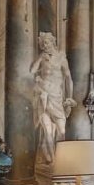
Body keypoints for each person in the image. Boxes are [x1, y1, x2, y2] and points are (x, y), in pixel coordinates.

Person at [31, 32, 75, 165]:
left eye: (46, 42)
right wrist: (40, 58)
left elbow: (69, 79)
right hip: (44, 96)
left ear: (52, 42)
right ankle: (53, 161)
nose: (44, 46)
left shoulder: (61, 58)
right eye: (42, 44)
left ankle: (60, 157)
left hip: (57, 97)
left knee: (62, 131)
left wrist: (69, 98)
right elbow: (32, 70)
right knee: (48, 131)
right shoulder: (42, 57)